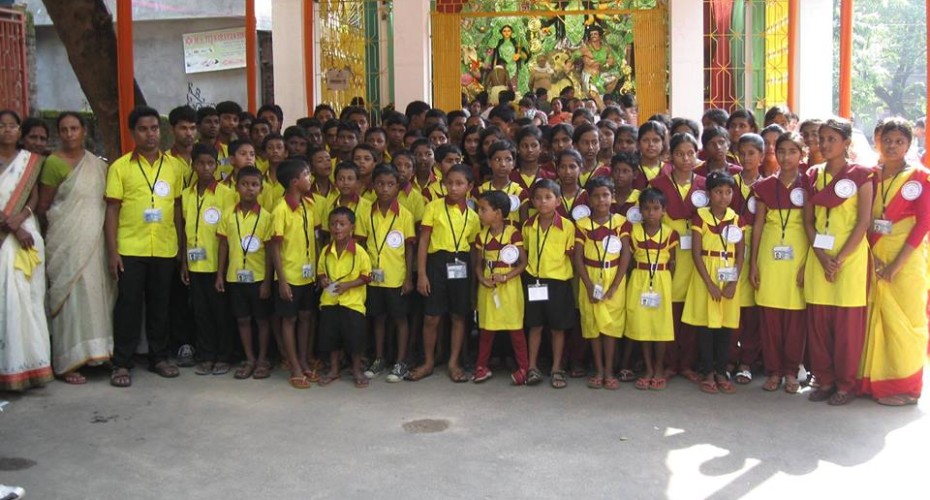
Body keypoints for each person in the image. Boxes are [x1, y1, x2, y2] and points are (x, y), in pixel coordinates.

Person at [104, 106, 185, 388]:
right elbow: (112, 211)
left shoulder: (174, 166)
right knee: (128, 306)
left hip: (164, 246)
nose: (150, 135)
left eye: (154, 128)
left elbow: (177, 208)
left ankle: (159, 357)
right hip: (131, 247)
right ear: (132, 133)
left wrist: (181, 248)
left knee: (160, 305)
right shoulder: (120, 167)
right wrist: (113, 252)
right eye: (143, 129)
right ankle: (122, 363)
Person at [36, 112, 115, 384]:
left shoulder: (98, 166)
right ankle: (68, 362)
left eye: (74, 129)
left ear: (83, 131)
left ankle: (99, 353)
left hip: (94, 241)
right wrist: (55, 239)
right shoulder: (53, 164)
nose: (69, 134)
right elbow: (45, 207)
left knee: (97, 295)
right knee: (70, 299)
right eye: (64, 130)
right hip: (66, 241)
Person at [803, 118, 873, 406]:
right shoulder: (811, 175)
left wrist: (839, 259)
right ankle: (825, 379)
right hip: (819, 257)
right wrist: (822, 257)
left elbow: (863, 221)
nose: (825, 144)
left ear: (846, 142)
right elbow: (808, 222)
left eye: (832, 139)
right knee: (818, 323)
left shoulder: (862, 175)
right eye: (822, 139)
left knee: (847, 327)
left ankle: (845, 384)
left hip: (851, 258)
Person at [860, 118, 930, 406]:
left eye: (899, 141)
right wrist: (874, 258)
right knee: (873, 318)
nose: (892, 146)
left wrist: (896, 265)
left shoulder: (920, 177)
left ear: (908, 144)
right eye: (887, 140)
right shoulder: (867, 176)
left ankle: (905, 387)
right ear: (878, 141)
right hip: (873, 254)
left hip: (907, 259)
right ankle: (871, 382)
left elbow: (923, 223)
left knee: (905, 321)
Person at [750, 132, 809, 394]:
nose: (786, 157)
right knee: (770, 317)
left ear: (802, 154)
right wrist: (753, 263)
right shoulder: (765, 186)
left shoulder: (809, 185)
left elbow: (812, 226)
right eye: (781, 151)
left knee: (796, 318)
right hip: (769, 257)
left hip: (798, 256)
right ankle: (774, 371)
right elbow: (759, 225)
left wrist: (808, 264)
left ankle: (791, 370)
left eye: (792, 151)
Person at [411, 164, 480, 382]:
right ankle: (429, 361)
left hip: (461, 264)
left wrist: (475, 281)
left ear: (469, 186)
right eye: (449, 183)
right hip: (437, 263)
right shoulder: (433, 207)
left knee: (459, 315)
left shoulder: (473, 216)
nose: (453, 188)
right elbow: (423, 241)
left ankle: (453, 362)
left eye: (459, 183)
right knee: (431, 316)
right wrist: (421, 273)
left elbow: (475, 250)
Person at [0, 109, 53, 391]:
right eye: (2, 126)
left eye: (12, 126)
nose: (7, 130)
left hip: (27, 234)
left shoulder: (30, 163)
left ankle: (30, 366)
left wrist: (21, 220)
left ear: (18, 131)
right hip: (8, 233)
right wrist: (12, 226)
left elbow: (34, 196)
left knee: (29, 298)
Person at [651, 133, 707, 383]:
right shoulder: (658, 184)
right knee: (669, 311)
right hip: (668, 254)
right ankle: (669, 363)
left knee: (690, 311)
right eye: (680, 153)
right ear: (670, 156)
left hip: (697, 254)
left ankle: (687, 363)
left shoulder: (705, 185)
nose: (686, 158)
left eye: (690, 153)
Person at [683, 171, 745, 395]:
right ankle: (708, 372)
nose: (723, 197)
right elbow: (696, 253)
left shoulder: (736, 219)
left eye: (728, 192)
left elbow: (740, 253)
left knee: (725, 327)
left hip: (728, 274)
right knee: (706, 327)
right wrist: (709, 283)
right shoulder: (700, 217)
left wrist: (733, 283)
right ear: (709, 194)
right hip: (706, 275)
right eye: (718, 192)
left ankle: (721, 371)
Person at [180, 143, 235, 376]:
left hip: (217, 264)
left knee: (220, 312)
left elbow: (230, 233)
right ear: (193, 165)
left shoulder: (227, 194)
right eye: (200, 163)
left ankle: (224, 356)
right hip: (194, 264)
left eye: (210, 163)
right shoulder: (186, 195)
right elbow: (183, 229)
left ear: (216, 165)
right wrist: (183, 262)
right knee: (200, 312)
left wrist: (223, 270)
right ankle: (206, 354)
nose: (205, 168)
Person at [358, 165, 416, 382]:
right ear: (373, 186)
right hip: (373, 277)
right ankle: (379, 358)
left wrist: (409, 277)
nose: (384, 189)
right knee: (378, 318)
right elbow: (361, 243)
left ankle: (400, 361)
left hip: (396, 276)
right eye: (380, 184)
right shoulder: (365, 212)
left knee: (400, 319)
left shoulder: (405, 215)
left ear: (397, 188)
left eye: (390, 184)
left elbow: (409, 247)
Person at [216, 166, 274, 381]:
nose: (249, 189)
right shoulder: (228, 214)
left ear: (261, 188)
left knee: (262, 320)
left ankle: (262, 359)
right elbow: (223, 245)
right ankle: (249, 358)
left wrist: (267, 281)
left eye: (254, 185)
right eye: (245, 184)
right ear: (237, 186)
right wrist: (220, 274)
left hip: (258, 277)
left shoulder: (267, 217)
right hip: (234, 277)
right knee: (242, 319)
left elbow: (270, 252)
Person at [573, 176, 631, 390]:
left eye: (605, 195)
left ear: (612, 197)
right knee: (593, 326)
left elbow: (625, 255)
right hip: (590, 276)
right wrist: (588, 285)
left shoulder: (620, 223)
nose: (601, 200)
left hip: (613, 276)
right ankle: (598, 369)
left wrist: (616, 284)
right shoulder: (582, 225)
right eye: (596, 196)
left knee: (611, 327)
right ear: (589, 199)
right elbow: (577, 257)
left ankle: (609, 370)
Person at [270, 159, 320, 389]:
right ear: (294, 182)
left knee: (306, 317)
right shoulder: (280, 210)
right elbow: (275, 247)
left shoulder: (310, 205)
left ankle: (303, 358)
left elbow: (316, 240)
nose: (310, 178)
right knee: (289, 319)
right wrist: (281, 280)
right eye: (307, 175)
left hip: (308, 275)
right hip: (289, 275)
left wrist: (318, 269)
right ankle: (294, 366)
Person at [522, 180, 576, 388]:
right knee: (535, 326)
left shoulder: (567, 226)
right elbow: (525, 254)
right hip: (534, 281)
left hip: (558, 283)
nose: (542, 202)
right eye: (538, 198)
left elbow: (570, 255)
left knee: (557, 328)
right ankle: (532, 366)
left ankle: (556, 367)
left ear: (558, 201)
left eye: (548, 197)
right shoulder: (528, 226)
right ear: (532, 201)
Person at [472, 191, 529, 384]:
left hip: (509, 286)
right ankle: (481, 366)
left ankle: (524, 367)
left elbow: (523, 262)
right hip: (489, 285)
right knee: (487, 328)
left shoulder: (513, 233)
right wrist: (482, 279)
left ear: (498, 213)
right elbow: (478, 264)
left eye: (483, 209)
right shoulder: (481, 236)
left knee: (515, 328)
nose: (479, 213)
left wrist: (506, 276)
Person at [625, 188, 678, 390]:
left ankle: (658, 368)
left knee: (660, 327)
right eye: (646, 209)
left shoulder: (670, 233)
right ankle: (647, 368)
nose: (651, 213)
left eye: (656, 208)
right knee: (643, 326)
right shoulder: (633, 232)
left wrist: (663, 283)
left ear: (663, 210)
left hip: (661, 281)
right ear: (640, 211)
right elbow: (629, 262)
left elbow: (673, 262)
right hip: (640, 279)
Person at [317, 206, 373, 388]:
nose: (337, 228)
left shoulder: (359, 252)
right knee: (332, 337)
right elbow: (320, 273)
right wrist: (323, 280)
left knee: (354, 339)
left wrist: (348, 285)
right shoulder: (326, 251)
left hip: (352, 303)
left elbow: (366, 276)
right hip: (330, 302)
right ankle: (334, 370)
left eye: (342, 224)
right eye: (333, 224)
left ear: (352, 227)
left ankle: (356, 369)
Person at [478, 140, 524, 225]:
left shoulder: (520, 192)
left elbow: (524, 224)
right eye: (497, 159)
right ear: (489, 162)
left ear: (513, 163)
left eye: (508, 159)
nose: (503, 164)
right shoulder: (479, 191)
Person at [634, 121, 668, 189]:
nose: (651, 144)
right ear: (638, 144)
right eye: (645, 140)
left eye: (656, 140)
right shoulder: (631, 169)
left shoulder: (670, 170)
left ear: (663, 144)